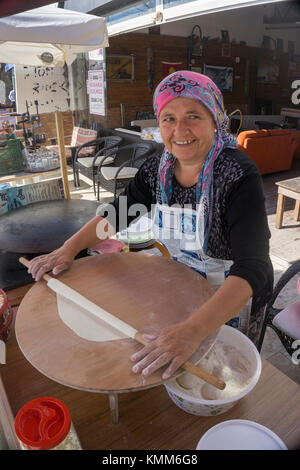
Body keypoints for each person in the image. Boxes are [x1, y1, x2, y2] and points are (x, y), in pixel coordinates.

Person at [28, 71, 273, 381]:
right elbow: (118, 214)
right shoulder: (158, 169)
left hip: (228, 299)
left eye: (193, 116)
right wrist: (69, 249)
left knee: (219, 371)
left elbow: (255, 267)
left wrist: (191, 331)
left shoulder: (237, 175)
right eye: (168, 118)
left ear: (215, 119)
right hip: (180, 291)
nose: (179, 130)